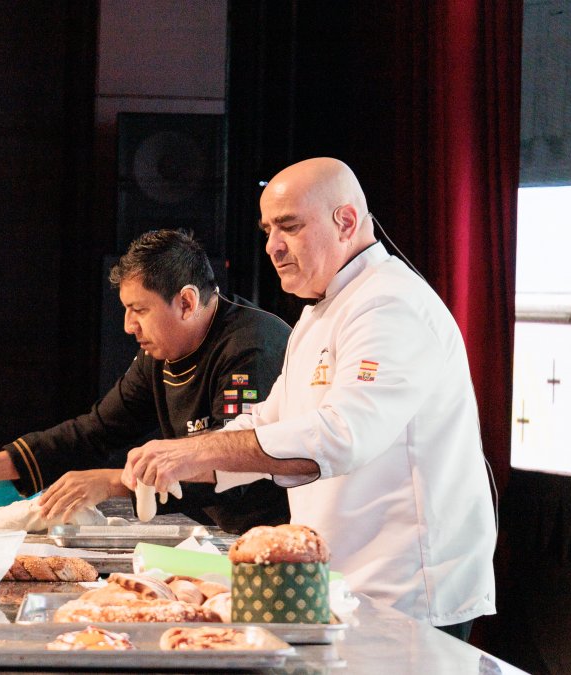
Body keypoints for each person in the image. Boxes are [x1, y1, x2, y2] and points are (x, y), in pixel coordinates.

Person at [122, 158, 497, 639]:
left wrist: (195, 450)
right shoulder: (318, 313)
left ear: (345, 221)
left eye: (289, 227)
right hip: (343, 580)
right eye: (267, 230)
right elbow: (268, 419)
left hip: (406, 587)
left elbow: (345, 435)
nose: (272, 247)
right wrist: (176, 461)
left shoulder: (390, 302)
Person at [0, 229, 292, 534]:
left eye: (140, 310)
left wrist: (114, 483)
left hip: (281, 534)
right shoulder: (159, 354)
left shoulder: (251, 347)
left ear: (186, 302)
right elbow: (95, 431)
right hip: (222, 531)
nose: (129, 326)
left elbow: (237, 466)